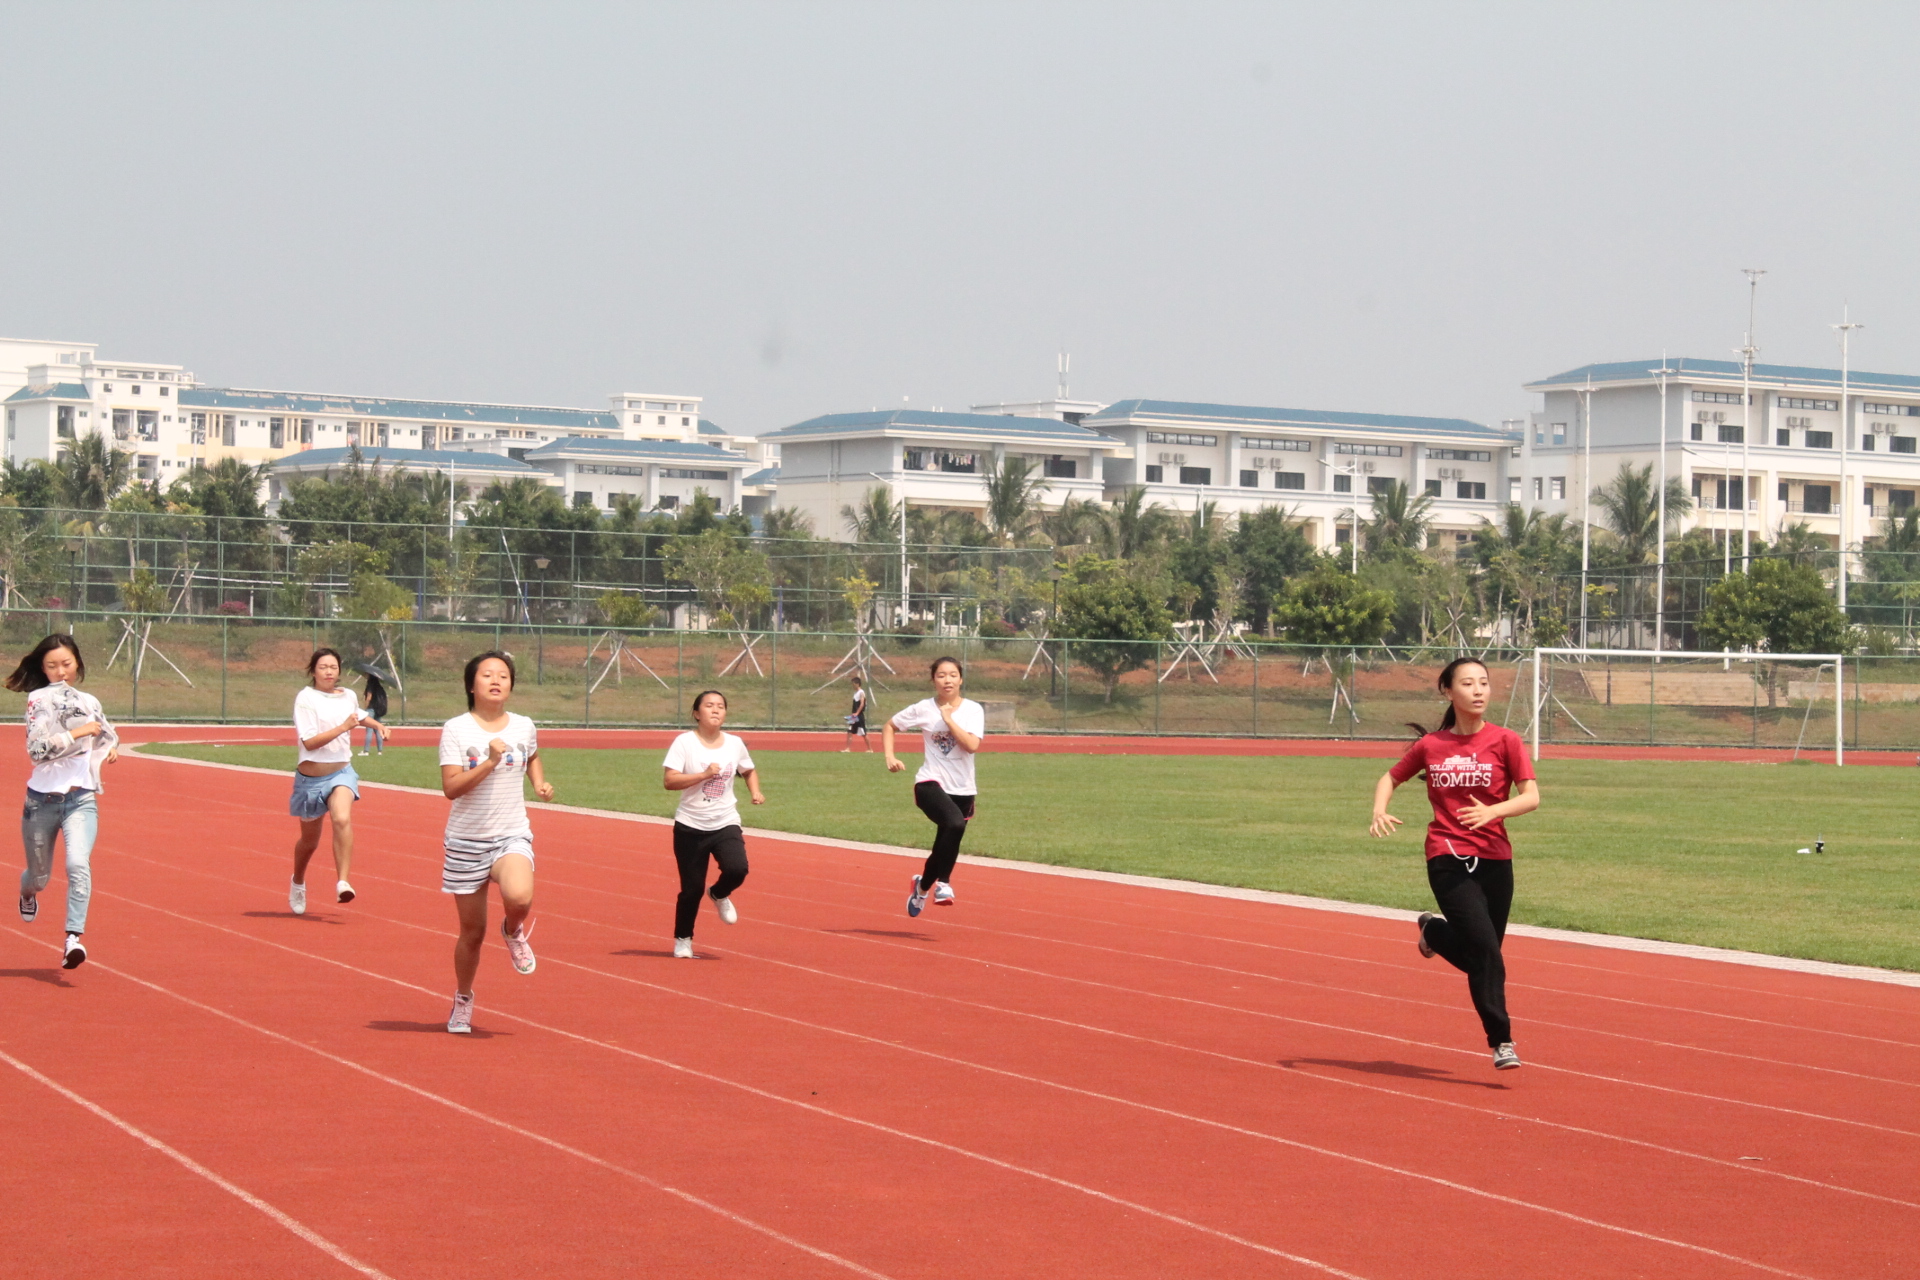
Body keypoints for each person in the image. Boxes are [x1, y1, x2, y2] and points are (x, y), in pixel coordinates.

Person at [1370, 656, 1540, 1071]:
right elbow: (1390, 777)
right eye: (1468, 683)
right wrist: (1379, 809)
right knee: (1486, 953)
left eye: (1484, 682)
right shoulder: (1432, 746)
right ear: (1448, 690)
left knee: (1483, 955)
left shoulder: (1506, 740)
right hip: (1447, 857)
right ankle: (1502, 1041)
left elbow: (1531, 797)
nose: (1478, 690)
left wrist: (1493, 811)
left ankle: (1433, 930)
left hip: (1495, 858)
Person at [439, 651, 551, 1034]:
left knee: (519, 896)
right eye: (487, 675)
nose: (496, 680)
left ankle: (513, 929)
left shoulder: (523, 726)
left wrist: (539, 782)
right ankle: (463, 998)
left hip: (511, 833)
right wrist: (488, 762)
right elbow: (451, 788)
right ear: (472, 685)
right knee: (472, 934)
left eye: (503, 675)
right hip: (466, 840)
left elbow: (532, 755)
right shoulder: (456, 729)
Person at [8, 634, 118, 970]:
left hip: (80, 800)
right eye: (52, 666)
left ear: (77, 664)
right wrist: (77, 733)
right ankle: (27, 893)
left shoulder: (89, 701)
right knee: (39, 877)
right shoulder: (38, 701)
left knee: (77, 865)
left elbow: (106, 732)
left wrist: (108, 749)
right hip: (40, 803)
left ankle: (73, 939)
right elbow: (37, 750)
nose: (61, 671)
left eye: (66, 664)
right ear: (43, 669)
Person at [662, 690, 765, 958]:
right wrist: (703, 774)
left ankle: (719, 893)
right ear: (697, 713)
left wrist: (755, 791)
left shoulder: (734, 743)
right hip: (690, 825)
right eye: (709, 705)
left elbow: (748, 770)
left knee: (737, 869)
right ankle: (683, 939)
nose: (716, 710)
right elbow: (669, 781)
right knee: (692, 889)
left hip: (724, 821)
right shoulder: (684, 742)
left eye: (720, 706)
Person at [884, 656, 986, 917]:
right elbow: (890, 726)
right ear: (933, 680)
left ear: (961, 679)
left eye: (953, 675)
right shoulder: (923, 708)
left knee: (944, 844)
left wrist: (949, 719)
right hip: (930, 782)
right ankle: (944, 884)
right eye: (941, 675)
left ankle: (922, 887)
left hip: (963, 788)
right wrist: (890, 757)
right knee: (955, 824)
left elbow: (972, 745)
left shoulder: (973, 710)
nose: (947, 680)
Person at [290, 649, 379, 913]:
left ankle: (343, 882)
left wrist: (377, 725)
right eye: (323, 667)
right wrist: (343, 728)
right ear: (313, 671)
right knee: (309, 842)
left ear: (339, 670)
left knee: (341, 818)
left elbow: (357, 714)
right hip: (311, 779)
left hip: (341, 772)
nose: (329, 672)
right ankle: (298, 881)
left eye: (333, 667)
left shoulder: (348, 695)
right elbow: (309, 742)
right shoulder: (305, 698)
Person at [359, 672, 389, 756]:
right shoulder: (379, 687)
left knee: (369, 729)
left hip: (371, 709)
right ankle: (380, 751)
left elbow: (369, 697)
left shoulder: (370, 685)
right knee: (378, 729)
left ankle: (366, 751)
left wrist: (365, 707)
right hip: (378, 709)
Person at [841, 672, 871, 752]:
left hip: (859, 716)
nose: (853, 686)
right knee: (850, 731)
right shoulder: (855, 693)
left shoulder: (861, 692)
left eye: (854, 684)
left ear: (858, 684)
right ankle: (847, 748)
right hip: (854, 716)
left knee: (863, 733)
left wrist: (857, 713)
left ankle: (870, 749)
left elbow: (862, 704)